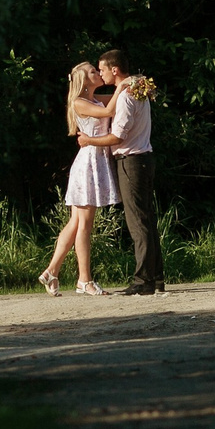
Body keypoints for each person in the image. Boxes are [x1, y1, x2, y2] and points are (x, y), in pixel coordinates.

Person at [41, 62, 118, 296]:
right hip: (88, 165)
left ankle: (52, 271)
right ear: (84, 79)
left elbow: (115, 98)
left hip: (93, 162)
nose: (98, 73)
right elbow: (109, 111)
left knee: (75, 223)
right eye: (94, 72)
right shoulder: (80, 102)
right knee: (84, 225)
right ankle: (84, 279)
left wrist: (127, 84)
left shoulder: (95, 99)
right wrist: (125, 85)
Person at [92, 48, 164, 296]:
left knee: (137, 221)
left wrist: (89, 141)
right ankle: (156, 277)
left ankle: (143, 280)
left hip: (131, 160)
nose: (100, 75)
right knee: (147, 218)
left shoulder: (126, 96)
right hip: (145, 157)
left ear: (115, 69)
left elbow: (118, 135)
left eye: (102, 69)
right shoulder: (138, 89)